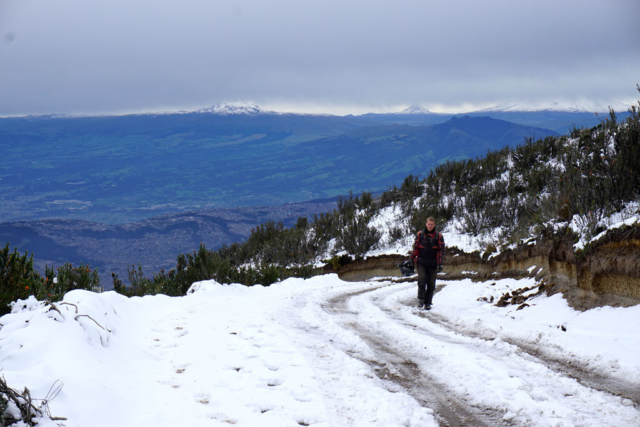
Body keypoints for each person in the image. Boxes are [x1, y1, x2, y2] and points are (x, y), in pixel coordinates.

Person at [411, 217, 444, 310]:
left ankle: (428, 302)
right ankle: (420, 300)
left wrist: (440, 264)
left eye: (432, 224)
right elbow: (416, 248)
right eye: (429, 224)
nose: (430, 226)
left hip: (433, 263)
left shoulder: (439, 236)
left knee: (431, 284)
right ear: (426, 224)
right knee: (421, 280)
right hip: (421, 262)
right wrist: (411, 258)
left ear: (434, 225)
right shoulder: (420, 234)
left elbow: (441, 251)